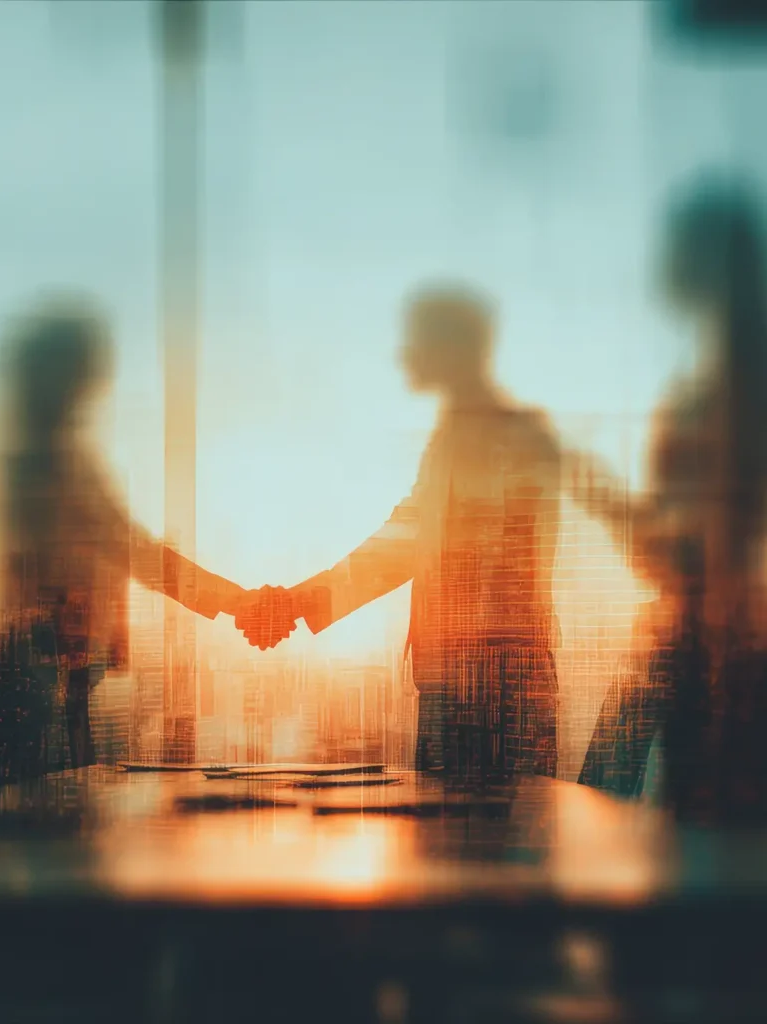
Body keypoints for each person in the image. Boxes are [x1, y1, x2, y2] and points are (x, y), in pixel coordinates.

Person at [239, 286, 562, 784]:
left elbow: (411, 545)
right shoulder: (463, 436)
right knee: (462, 843)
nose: (405, 354)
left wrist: (294, 603)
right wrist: (297, 603)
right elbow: (409, 539)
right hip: (471, 680)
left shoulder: (500, 437)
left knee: (479, 842)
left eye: (417, 341)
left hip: (488, 685)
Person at [0, 297, 252, 784]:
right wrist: (238, 602)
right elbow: (132, 553)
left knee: (53, 806)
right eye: (82, 372)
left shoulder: (45, 455)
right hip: (48, 665)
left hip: (57, 665)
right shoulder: (51, 461)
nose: (91, 388)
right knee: (51, 810)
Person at [572, 177, 767, 820]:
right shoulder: (703, 388)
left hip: (717, 655)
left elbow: (685, 551)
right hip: (704, 648)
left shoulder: (727, 393)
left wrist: (591, 488)